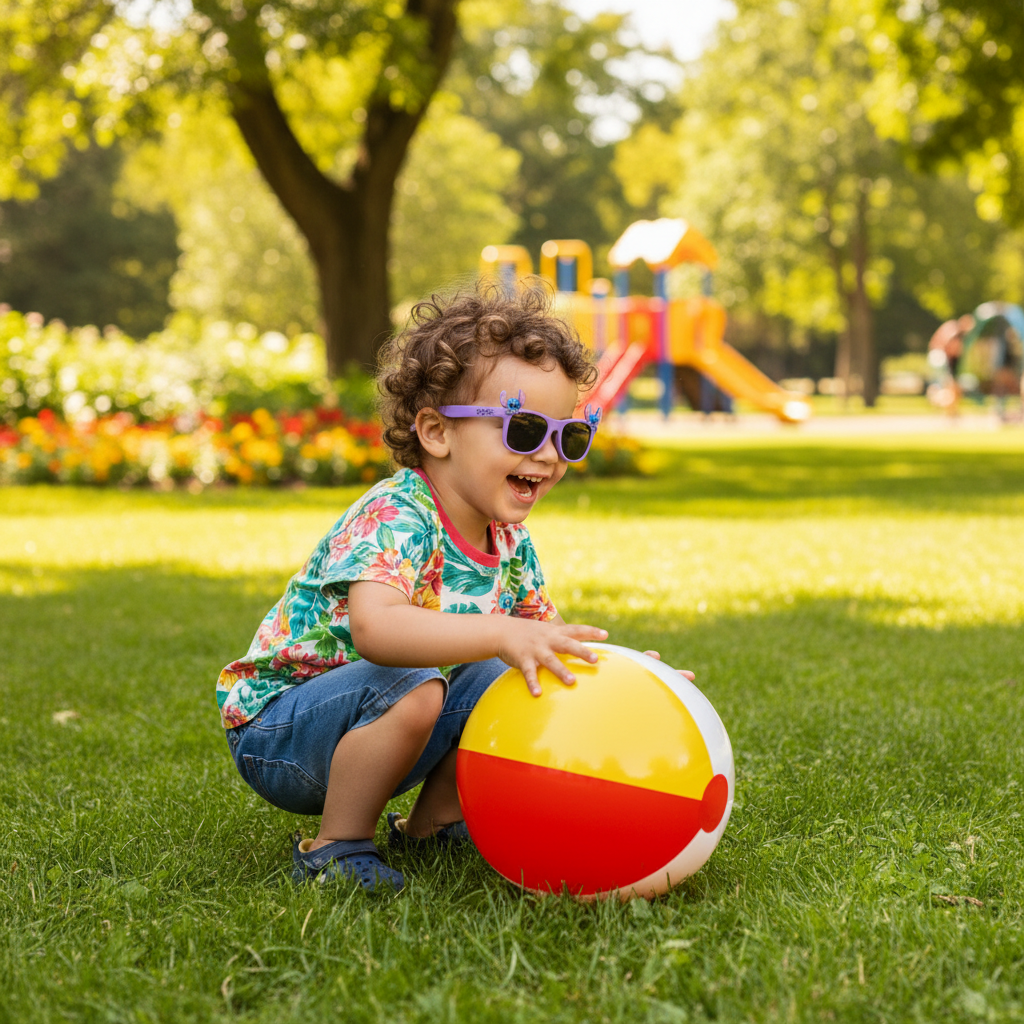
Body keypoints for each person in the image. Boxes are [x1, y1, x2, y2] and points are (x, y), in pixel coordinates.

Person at [216, 285, 690, 891]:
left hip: (385, 717)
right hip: (282, 731)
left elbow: (546, 647)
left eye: (568, 436)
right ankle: (334, 844)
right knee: (414, 681)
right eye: (523, 431)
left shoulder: (510, 545)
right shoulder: (396, 513)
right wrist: (497, 630)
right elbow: (376, 629)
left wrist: (629, 677)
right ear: (437, 432)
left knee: (518, 673)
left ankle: (433, 822)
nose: (547, 456)